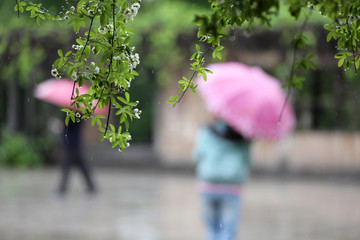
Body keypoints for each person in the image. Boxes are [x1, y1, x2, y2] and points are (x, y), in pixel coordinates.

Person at [193, 120, 251, 240]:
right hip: (231, 189)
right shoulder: (243, 137)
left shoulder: (206, 132)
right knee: (227, 231)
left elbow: (196, 156)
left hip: (208, 187)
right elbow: (248, 162)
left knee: (212, 230)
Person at [56, 117, 96, 197]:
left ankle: (62, 189)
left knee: (66, 167)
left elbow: (70, 127)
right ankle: (91, 187)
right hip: (75, 144)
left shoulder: (74, 114)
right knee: (82, 167)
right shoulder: (75, 113)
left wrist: (61, 126)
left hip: (72, 144)